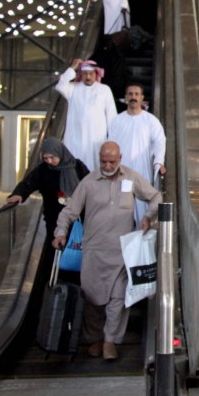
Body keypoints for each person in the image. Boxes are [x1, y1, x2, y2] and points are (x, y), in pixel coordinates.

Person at [52, 142, 161, 361]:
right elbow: (69, 211)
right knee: (93, 300)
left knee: (118, 298)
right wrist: (60, 232)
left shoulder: (131, 178)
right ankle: (95, 339)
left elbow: (156, 196)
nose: (108, 165)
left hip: (122, 251)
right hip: (94, 251)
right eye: (103, 161)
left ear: (120, 157)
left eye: (112, 161)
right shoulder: (89, 182)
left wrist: (148, 216)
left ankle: (110, 340)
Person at [6, 137, 90, 245]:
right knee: (56, 247)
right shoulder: (43, 169)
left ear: (60, 152)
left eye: (52, 157)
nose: (49, 161)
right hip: (54, 218)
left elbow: (90, 185)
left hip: (78, 216)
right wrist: (18, 194)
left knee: (76, 247)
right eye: (45, 158)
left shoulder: (77, 166)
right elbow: (28, 183)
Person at [55, 59, 118, 171]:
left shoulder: (104, 90)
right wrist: (73, 66)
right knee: (75, 169)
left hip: (96, 140)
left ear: (96, 74)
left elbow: (112, 117)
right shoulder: (73, 88)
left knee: (95, 168)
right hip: (75, 139)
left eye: (91, 74)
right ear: (81, 74)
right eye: (85, 74)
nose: (88, 77)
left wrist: (112, 141)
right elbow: (60, 86)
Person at [108, 83, 166, 186]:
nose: (133, 97)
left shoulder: (151, 120)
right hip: (122, 169)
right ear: (126, 97)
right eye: (130, 94)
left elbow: (160, 141)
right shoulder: (117, 120)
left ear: (142, 97)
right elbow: (111, 144)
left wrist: (159, 161)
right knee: (123, 199)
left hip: (143, 170)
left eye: (136, 94)